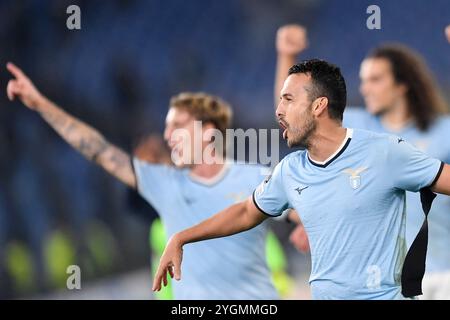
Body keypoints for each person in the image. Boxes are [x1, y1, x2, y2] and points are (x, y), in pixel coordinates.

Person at [153, 59, 450, 300]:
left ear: (318, 106)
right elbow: (245, 211)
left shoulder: (383, 152)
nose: (278, 110)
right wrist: (182, 237)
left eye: (288, 99)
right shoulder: (290, 170)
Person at [5, 63, 282, 300]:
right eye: (167, 127)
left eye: (178, 126)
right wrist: (42, 105)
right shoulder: (165, 186)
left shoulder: (253, 178)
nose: (168, 134)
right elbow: (99, 150)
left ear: (208, 132)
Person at [274, 24, 450, 299]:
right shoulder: (356, 127)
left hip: (444, 271)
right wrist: (287, 56)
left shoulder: (443, 130)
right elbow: (297, 110)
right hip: (391, 284)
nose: (365, 88)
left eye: (375, 79)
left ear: (403, 84)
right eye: (363, 79)